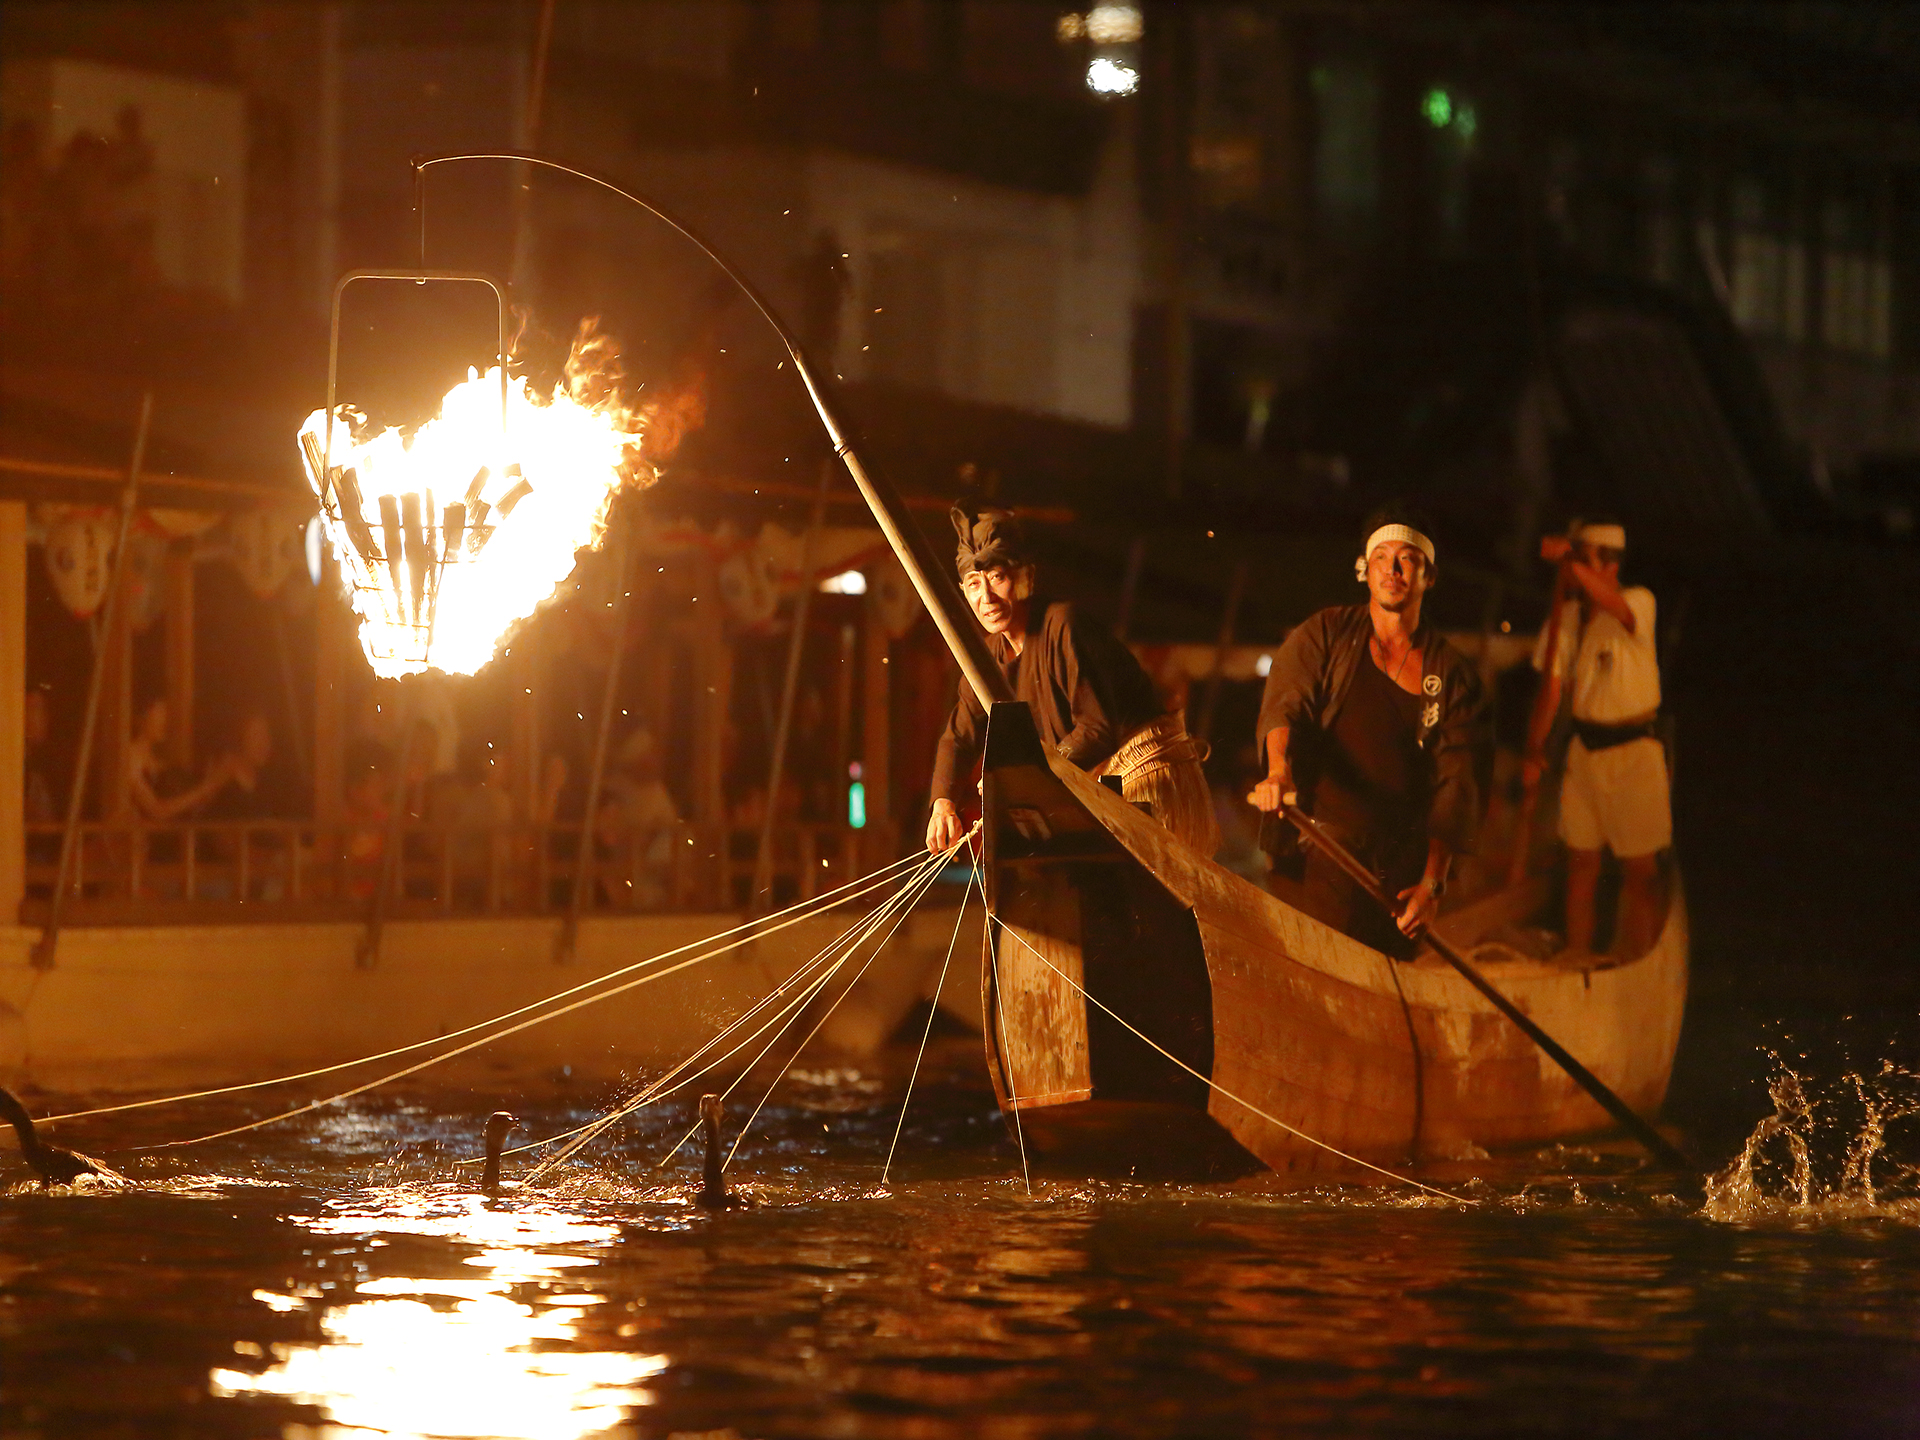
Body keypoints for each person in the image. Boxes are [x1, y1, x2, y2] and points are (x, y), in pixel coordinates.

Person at [1250, 506, 1486, 955]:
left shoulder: (1451, 673)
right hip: (1320, 844)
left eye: (1407, 558)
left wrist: (1432, 886)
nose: (1392, 569)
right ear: (1364, 569)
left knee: (1386, 979)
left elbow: (1457, 784)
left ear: (1428, 576)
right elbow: (1286, 705)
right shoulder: (1325, 634)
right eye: (1381, 556)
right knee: (1319, 964)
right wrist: (1278, 771)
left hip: (1399, 868)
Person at [927, 503, 1219, 856]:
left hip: (1144, 783)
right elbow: (959, 735)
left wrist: (1024, 781)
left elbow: (1096, 730)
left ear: (1024, 578)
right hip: (1089, 791)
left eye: (997, 578)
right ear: (963, 590)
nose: (985, 597)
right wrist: (943, 803)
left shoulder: (1063, 625)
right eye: (974, 584)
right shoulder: (986, 656)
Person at [1525, 520, 1669, 957]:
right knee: (1580, 863)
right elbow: (1551, 689)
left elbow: (1613, 604)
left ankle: (1641, 956)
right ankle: (1578, 955)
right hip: (1584, 752)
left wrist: (1567, 558)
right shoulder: (1566, 617)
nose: (1571, 572)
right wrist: (1535, 751)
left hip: (1633, 752)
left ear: (1606, 563)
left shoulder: (1636, 602)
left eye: (1582, 559)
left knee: (1640, 870)